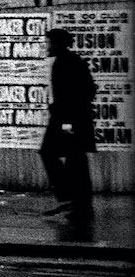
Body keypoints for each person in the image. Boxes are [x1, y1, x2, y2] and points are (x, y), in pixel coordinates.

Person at [40, 28, 98, 222]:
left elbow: (74, 96)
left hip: (68, 122)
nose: (46, 46)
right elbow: (89, 90)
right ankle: (79, 204)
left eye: (48, 43)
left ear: (56, 43)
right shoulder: (70, 61)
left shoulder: (65, 63)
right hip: (72, 120)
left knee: (53, 153)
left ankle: (72, 199)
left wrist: (67, 124)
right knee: (76, 161)